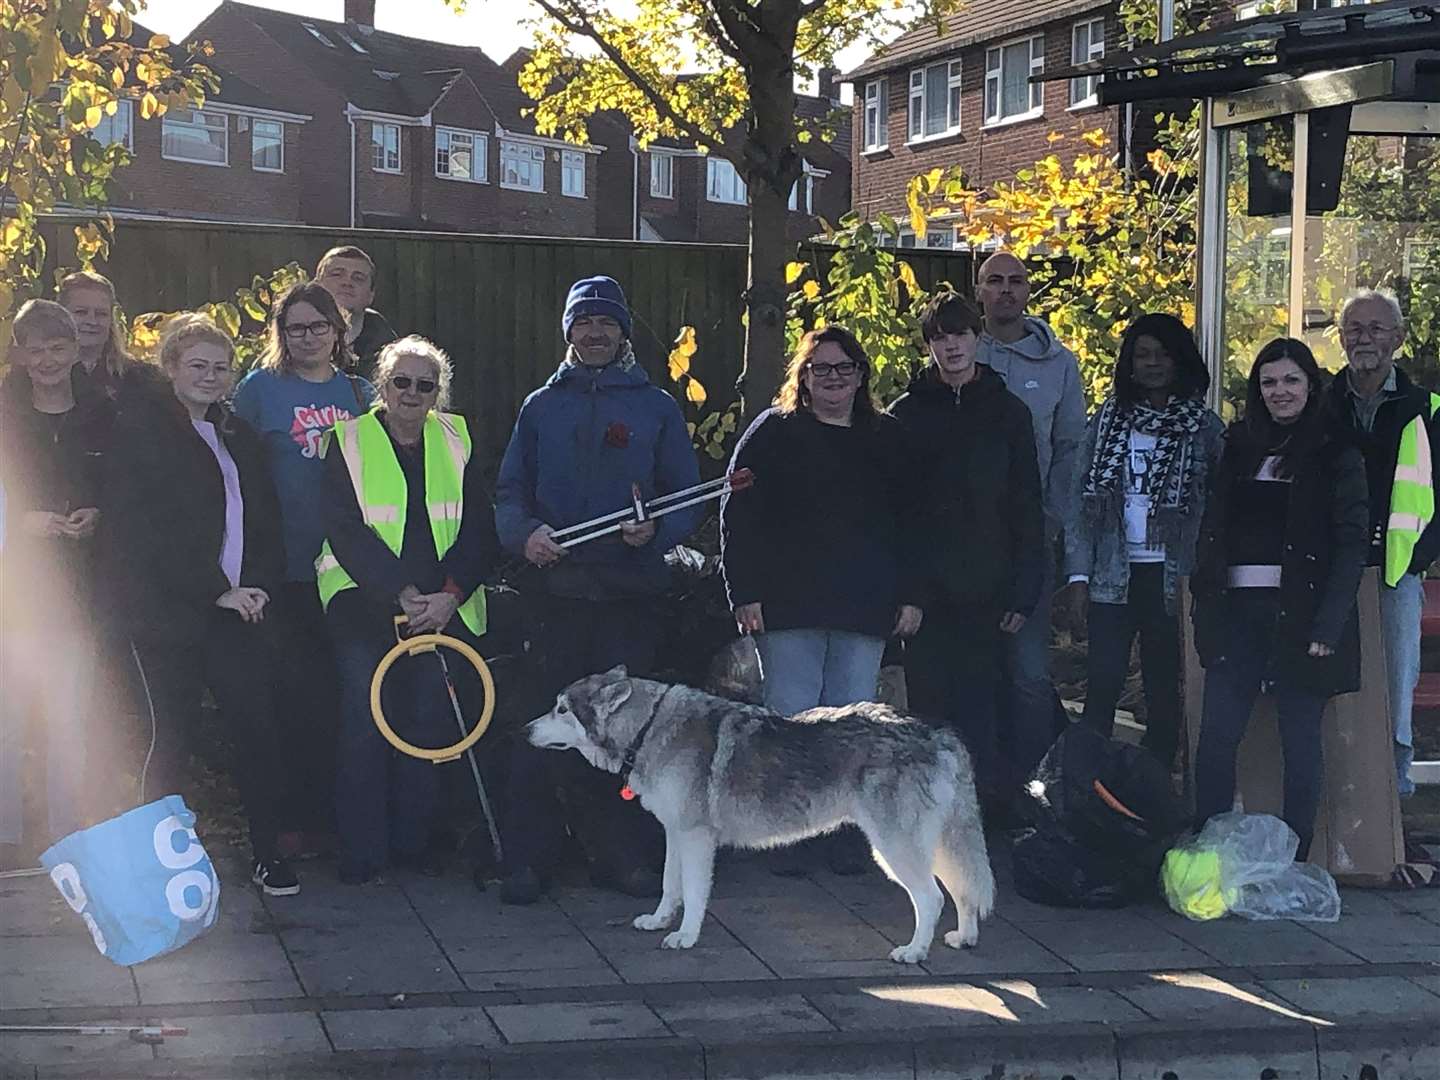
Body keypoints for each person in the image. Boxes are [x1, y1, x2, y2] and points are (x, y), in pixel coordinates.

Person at [494, 275, 701, 904]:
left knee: (626, 737)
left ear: (623, 334)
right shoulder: (540, 406)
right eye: (583, 323)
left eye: (606, 323)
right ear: (568, 333)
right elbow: (509, 493)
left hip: (628, 598)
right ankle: (530, 860)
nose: (594, 333)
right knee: (543, 730)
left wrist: (656, 531)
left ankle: (621, 856)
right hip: (554, 598)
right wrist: (525, 535)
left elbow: (684, 498)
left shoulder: (656, 407)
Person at [106, 314, 300, 896]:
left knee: (258, 732)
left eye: (221, 368)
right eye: (198, 366)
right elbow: (142, 533)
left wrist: (259, 582)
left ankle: (269, 854)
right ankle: (148, 872)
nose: (210, 377)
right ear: (170, 368)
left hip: (238, 613)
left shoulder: (238, 434)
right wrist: (213, 588)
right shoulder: (140, 430)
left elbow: (263, 519)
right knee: (170, 740)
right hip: (170, 616)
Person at [318, 335, 500, 885]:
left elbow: (479, 530)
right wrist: (398, 591)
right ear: (383, 385)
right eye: (402, 382)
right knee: (363, 723)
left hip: (441, 607)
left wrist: (451, 594)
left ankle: (415, 845)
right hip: (363, 601)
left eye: (426, 384)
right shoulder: (347, 440)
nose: (413, 393)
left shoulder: (457, 438)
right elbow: (343, 528)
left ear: (438, 392)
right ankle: (363, 852)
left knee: (428, 722)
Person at [1191, 339, 1368, 860]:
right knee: (1217, 737)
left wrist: (1328, 626)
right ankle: (1207, 849)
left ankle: (1296, 856)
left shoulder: (1337, 451)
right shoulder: (1238, 445)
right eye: (1269, 382)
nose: (1280, 392)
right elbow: (1213, 530)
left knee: (1300, 742)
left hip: (1304, 616)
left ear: (1311, 385)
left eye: (1291, 380)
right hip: (1237, 615)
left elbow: (1351, 543)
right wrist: (1207, 614)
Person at [233, 282, 375, 853]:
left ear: (338, 331)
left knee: (343, 701)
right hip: (283, 569)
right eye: (295, 328)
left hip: (348, 574)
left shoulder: (361, 393)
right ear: (281, 334)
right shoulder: (259, 391)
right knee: (289, 699)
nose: (308, 337)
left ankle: (334, 820)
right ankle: (290, 822)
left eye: (319, 326)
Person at [888, 294, 1043, 803]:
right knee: (929, 713)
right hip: (925, 597)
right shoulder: (904, 415)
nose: (950, 346)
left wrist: (1024, 591)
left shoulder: (1008, 413)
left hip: (988, 588)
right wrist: (906, 591)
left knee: (983, 708)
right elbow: (893, 514)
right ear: (928, 344)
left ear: (978, 339)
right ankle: (927, 813)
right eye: (939, 336)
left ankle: (984, 812)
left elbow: (1026, 506)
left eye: (959, 334)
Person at [1064, 313, 1224, 765]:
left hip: (1174, 577)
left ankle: (1158, 787)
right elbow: (1079, 503)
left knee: (1163, 684)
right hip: (1113, 574)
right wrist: (1078, 574)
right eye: (1142, 355)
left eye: (1162, 354)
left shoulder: (1204, 428)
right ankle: (1086, 785)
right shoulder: (1106, 423)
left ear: (1180, 361)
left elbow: (1220, 508)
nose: (1152, 364)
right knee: (1103, 681)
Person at [0, 301, 110, 867]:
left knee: (70, 719)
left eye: (57, 348)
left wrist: (98, 514)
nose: (46, 360)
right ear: (18, 354)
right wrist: (23, 524)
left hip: (79, 594)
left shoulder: (103, 413)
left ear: (74, 350)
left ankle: (67, 836)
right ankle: (6, 839)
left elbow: (123, 489)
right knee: (7, 718)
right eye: (34, 349)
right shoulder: (4, 413)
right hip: (13, 592)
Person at [974, 252, 1087, 781]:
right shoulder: (961, 352)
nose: (1005, 291)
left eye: (1015, 281)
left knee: (1028, 670)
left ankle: (1039, 787)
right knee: (972, 668)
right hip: (968, 539)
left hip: (1031, 538)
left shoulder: (1060, 365)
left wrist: (1055, 522)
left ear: (1028, 291)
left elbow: (1070, 450)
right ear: (979, 291)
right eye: (994, 281)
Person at [1324, 288, 1440, 801]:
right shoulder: (1321, 404)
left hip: (1397, 573)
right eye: (1354, 328)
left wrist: (1419, 557)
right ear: (1342, 337)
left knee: (1395, 692)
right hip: (1330, 572)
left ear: (1398, 338)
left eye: (1376, 328)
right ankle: (1337, 799)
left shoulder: (1427, 409)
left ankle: (1392, 804)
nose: (1364, 338)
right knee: (1329, 687)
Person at [56, 269, 160, 407]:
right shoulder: (39, 376)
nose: (92, 321)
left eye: (101, 314)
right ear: (60, 315)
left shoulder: (142, 378)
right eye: (81, 312)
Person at [314, 246, 398, 371]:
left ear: (371, 295)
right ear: (316, 286)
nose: (347, 282)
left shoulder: (390, 356)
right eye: (337, 274)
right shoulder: (294, 340)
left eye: (358, 278)